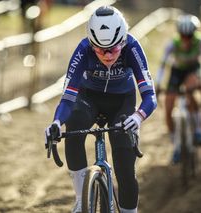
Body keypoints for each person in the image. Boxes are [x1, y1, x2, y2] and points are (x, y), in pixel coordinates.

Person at [45, 6, 157, 213]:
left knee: (125, 171)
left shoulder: (132, 47)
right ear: (91, 43)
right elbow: (68, 97)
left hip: (122, 103)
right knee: (74, 124)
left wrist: (138, 116)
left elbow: (150, 96)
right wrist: (56, 122)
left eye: (113, 49)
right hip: (89, 100)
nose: (106, 55)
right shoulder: (83, 49)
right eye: (99, 49)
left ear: (122, 41)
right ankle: (81, 199)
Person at [155, 14, 201, 164]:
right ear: (179, 34)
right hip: (176, 71)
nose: (186, 39)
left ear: (194, 34)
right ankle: (175, 144)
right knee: (168, 107)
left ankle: (199, 130)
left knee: (190, 90)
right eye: (183, 35)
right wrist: (158, 83)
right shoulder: (172, 44)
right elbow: (163, 66)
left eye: (189, 36)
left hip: (193, 70)